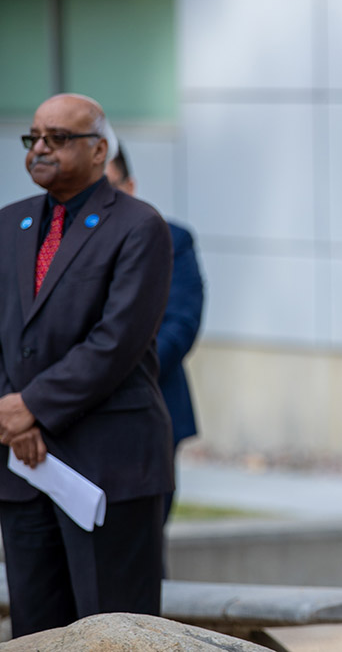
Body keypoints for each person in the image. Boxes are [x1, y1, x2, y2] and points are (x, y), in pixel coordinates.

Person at [0, 94, 173, 637]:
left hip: (107, 466)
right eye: (33, 138)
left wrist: (31, 406)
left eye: (58, 138)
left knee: (112, 633)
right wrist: (12, 414)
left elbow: (116, 342)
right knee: (35, 634)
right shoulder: (9, 223)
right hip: (23, 465)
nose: (40, 148)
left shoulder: (139, 226)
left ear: (100, 150)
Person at [106, 145, 204, 524]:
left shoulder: (170, 239)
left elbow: (179, 326)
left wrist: (106, 377)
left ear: (129, 186)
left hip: (148, 409)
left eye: (108, 187)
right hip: (69, 421)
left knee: (142, 540)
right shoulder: (52, 241)